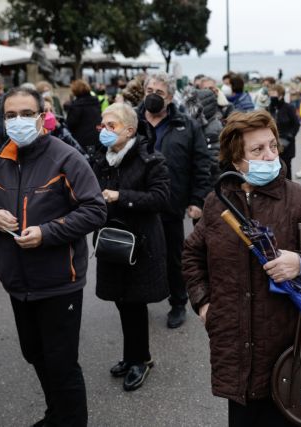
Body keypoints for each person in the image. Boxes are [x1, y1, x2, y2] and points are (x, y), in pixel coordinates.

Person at [182, 110, 301, 427]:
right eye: (257, 150)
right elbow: (192, 255)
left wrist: (299, 262)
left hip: (289, 351)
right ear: (235, 160)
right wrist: (204, 304)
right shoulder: (217, 204)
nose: (270, 155)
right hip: (235, 349)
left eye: (272, 145)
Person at [0, 87, 106, 427]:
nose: (19, 121)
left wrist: (47, 232)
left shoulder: (66, 158)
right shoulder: (0, 159)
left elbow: (95, 209)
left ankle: (70, 420)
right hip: (17, 280)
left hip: (59, 280)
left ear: (43, 115)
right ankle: (55, 414)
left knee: (61, 362)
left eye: (26, 114)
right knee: (35, 354)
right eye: (11, 115)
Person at [92, 103, 170, 391]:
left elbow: (161, 198)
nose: (105, 131)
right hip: (112, 241)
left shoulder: (150, 158)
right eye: (103, 125)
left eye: (111, 125)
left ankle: (142, 359)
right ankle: (130, 356)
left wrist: (120, 196)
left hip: (141, 243)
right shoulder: (102, 157)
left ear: (130, 129)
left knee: (135, 303)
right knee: (121, 301)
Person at [138, 72, 211, 329]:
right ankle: (140, 299)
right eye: (149, 91)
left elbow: (201, 164)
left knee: (174, 257)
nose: (153, 96)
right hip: (138, 202)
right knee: (139, 255)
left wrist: (197, 200)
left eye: (159, 92)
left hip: (171, 203)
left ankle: (178, 303)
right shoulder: (132, 122)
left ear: (169, 97)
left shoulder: (186, 125)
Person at [184, 88, 225, 187]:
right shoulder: (202, 125)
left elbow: (213, 162)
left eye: (192, 107)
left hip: (210, 185)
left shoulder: (212, 129)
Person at [268, 84, 299, 179]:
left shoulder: (289, 108)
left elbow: (296, 124)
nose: (271, 97)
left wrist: (288, 138)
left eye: (273, 94)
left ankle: (289, 189)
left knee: (286, 168)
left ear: (281, 95)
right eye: (270, 95)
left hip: (287, 144)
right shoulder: (270, 108)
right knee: (274, 169)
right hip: (272, 144)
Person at [66, 79, 102, 156]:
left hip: (82, 141)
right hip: (97, 138)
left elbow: (70, 124)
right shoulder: (95, 102)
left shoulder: (76, 106)